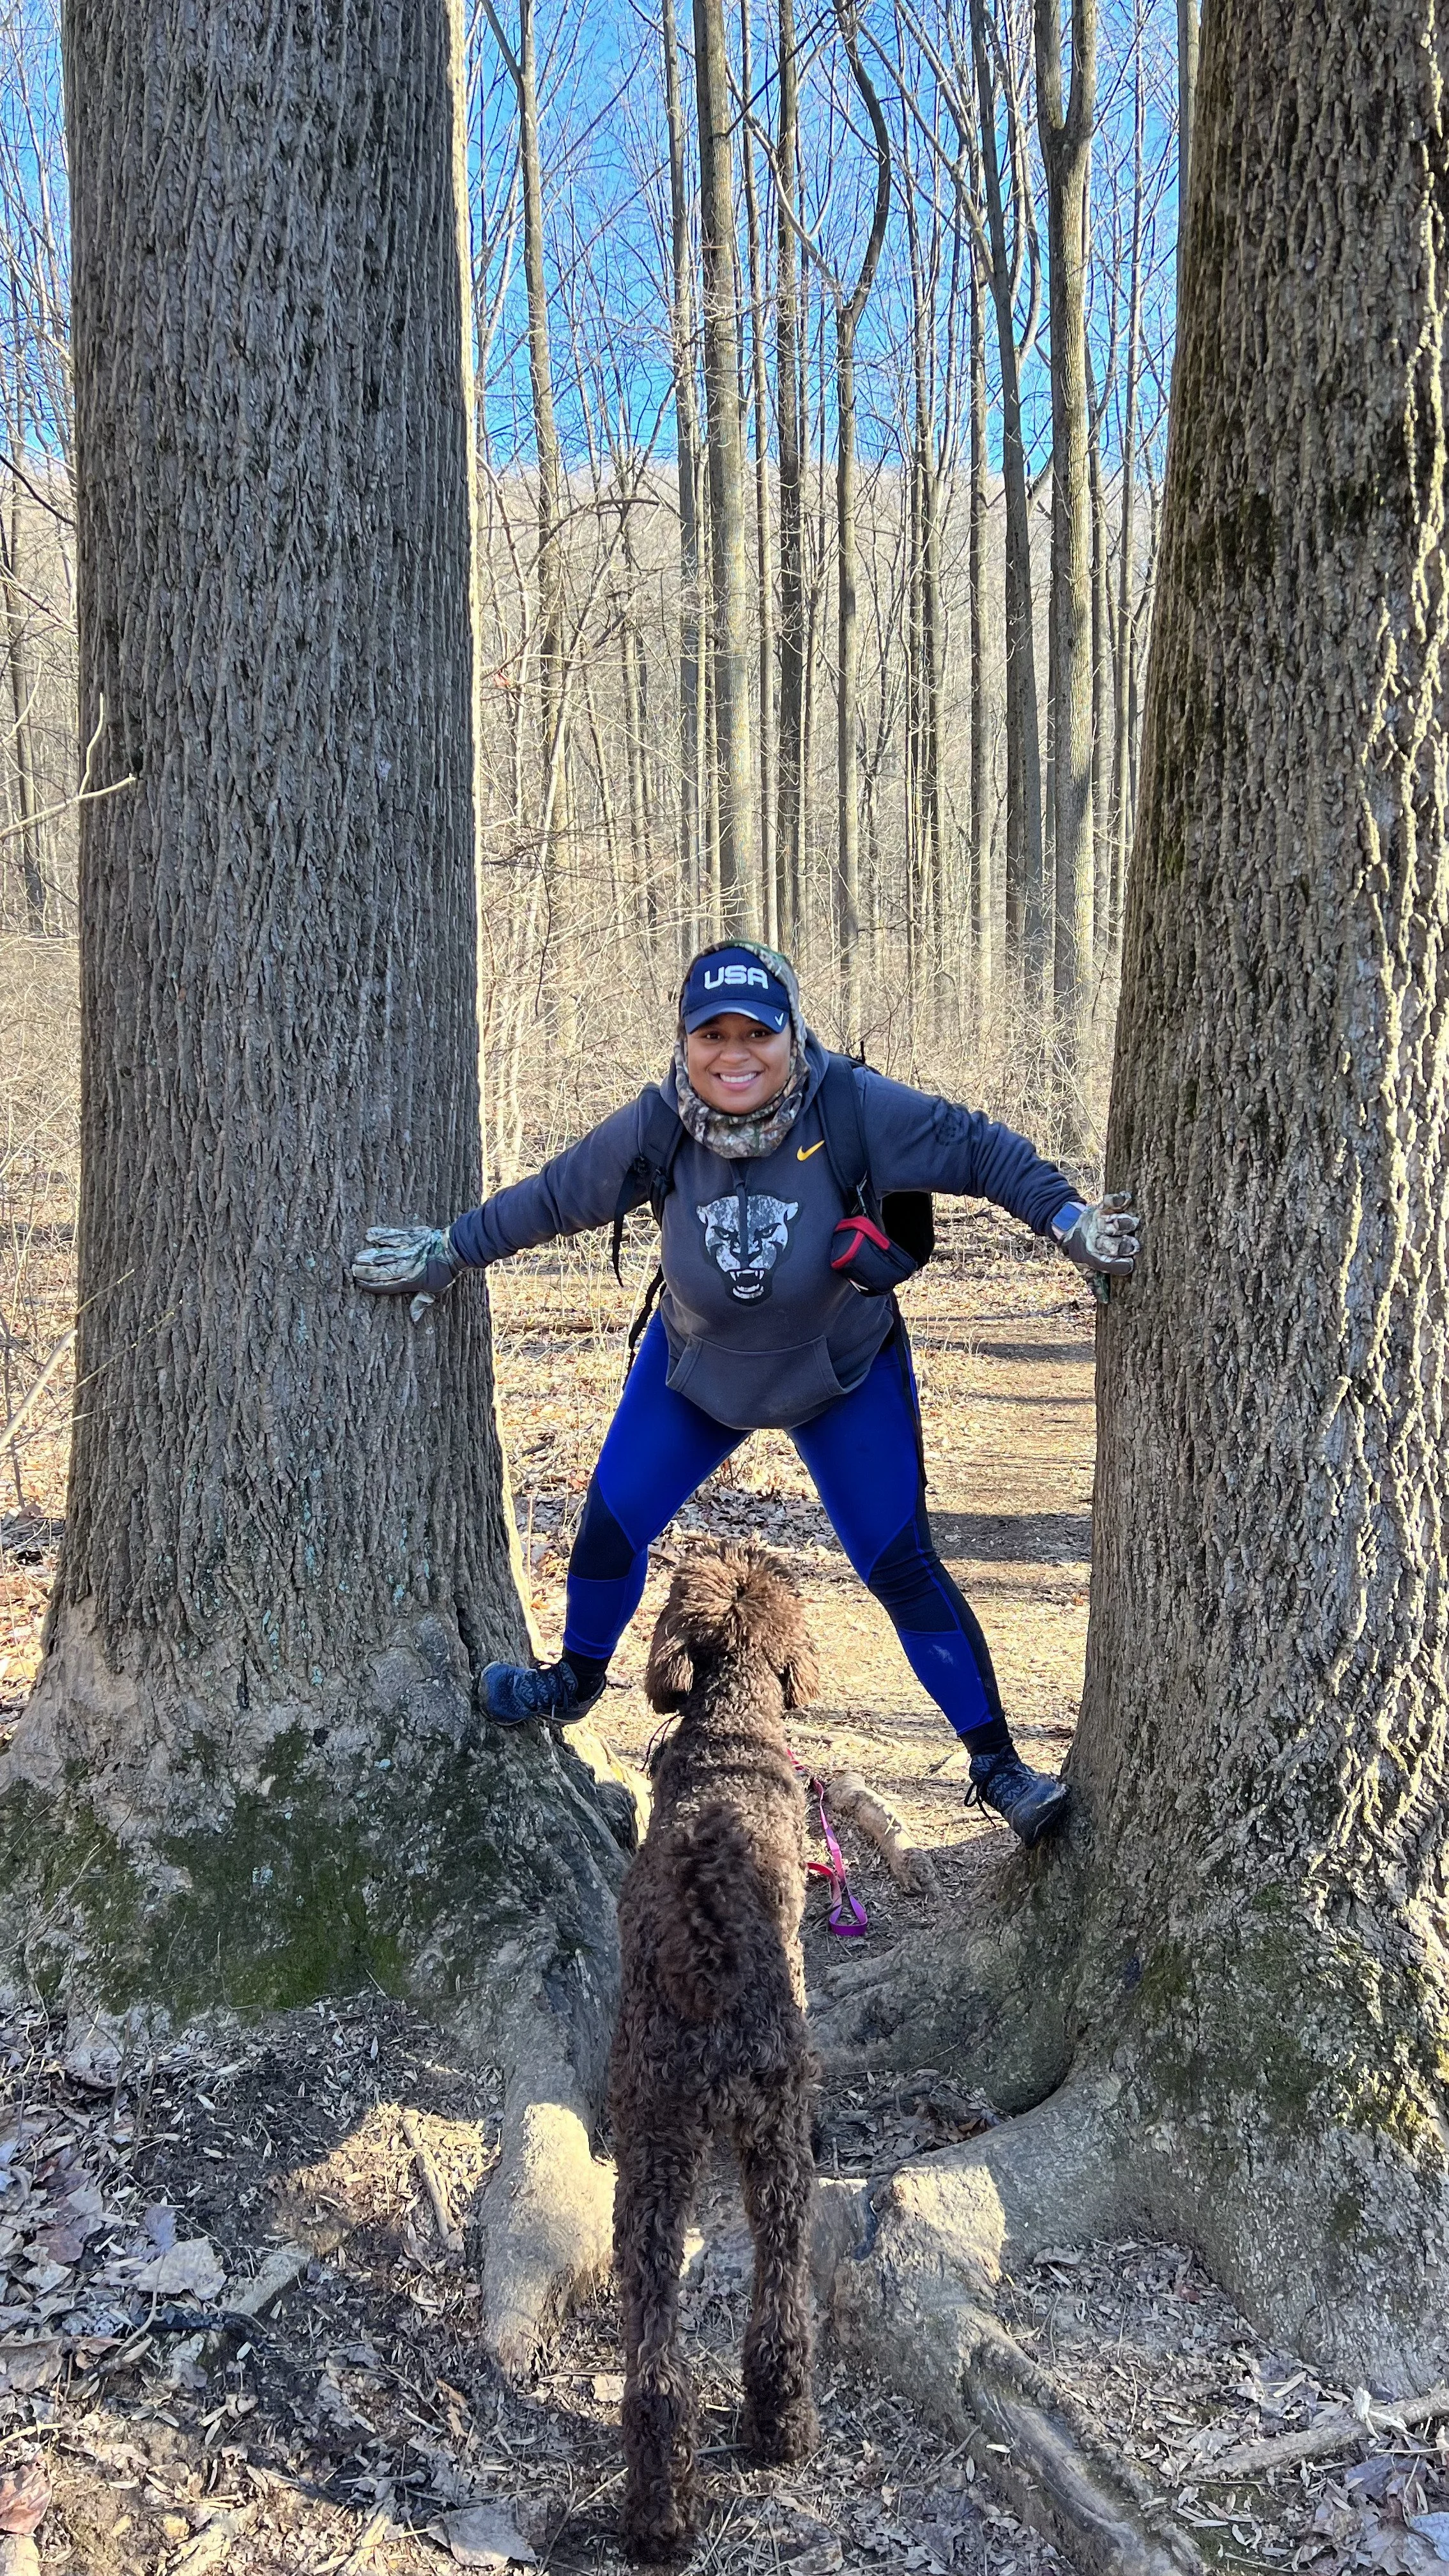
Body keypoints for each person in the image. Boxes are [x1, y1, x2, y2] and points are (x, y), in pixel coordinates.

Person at [352, 942, 1140, 1846]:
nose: (734, 1054)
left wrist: (1068, 1221)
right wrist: (449, 1252)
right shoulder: (659, 1125)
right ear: (684, 1042)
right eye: (711, 1035)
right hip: (697, 1374)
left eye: (756, 1033)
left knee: (901, 1565)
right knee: (609, 1528)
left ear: (791, 1034)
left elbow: (981, 1151)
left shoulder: (852, 1106)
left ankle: (997, 1765)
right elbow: (555, 1197)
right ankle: (573, 1682)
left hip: (840, 1377)